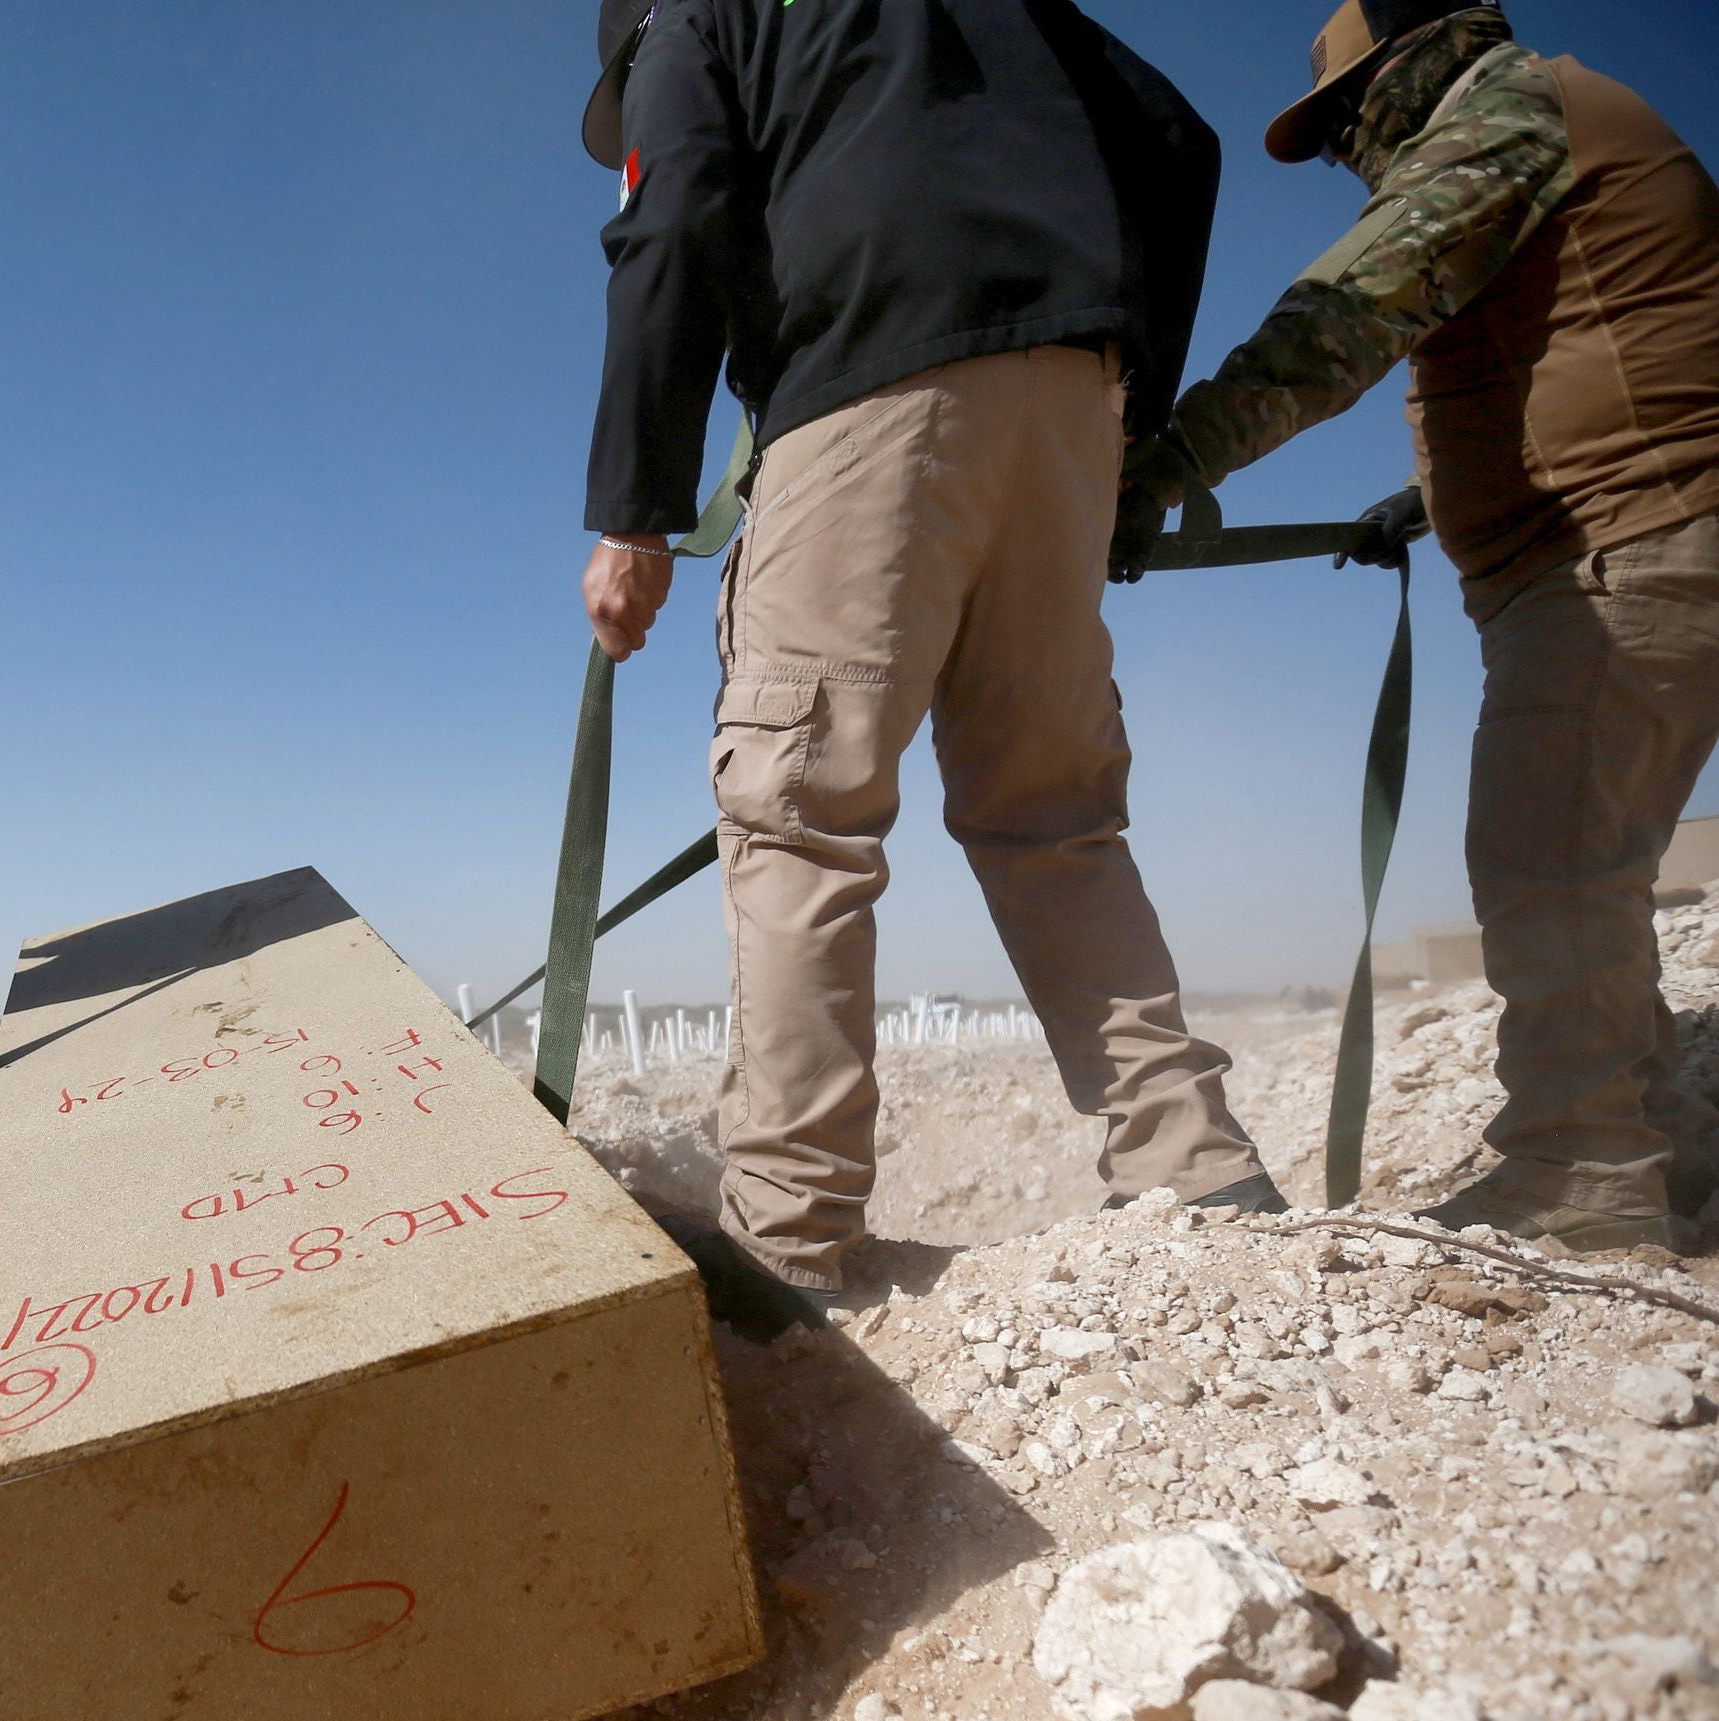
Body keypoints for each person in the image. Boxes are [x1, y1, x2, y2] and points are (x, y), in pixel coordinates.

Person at [578, 0, 1283, 1317]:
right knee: (1056, 810)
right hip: (1074, 395)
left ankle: (786, 1243)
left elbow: (672, 209)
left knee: (801, 811)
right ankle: (1197, 1163)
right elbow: (1176, 143)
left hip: (864, 390)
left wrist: (634, 506)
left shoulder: (689, 12)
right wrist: (1122, 419)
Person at [1121, 2, 1719, 1255]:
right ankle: (1652, 1141)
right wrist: (1425, 502)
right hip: (1613, 543)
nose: (1347, 148)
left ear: (1425, 50)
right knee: (1584, 864)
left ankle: (1586, 1173)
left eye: (1349, 114)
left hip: (1624, 541)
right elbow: (1562, 335)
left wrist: (1158, 468)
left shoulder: (1512, 106)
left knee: (1546, 860)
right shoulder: (1543, 122)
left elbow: (1351, 310)